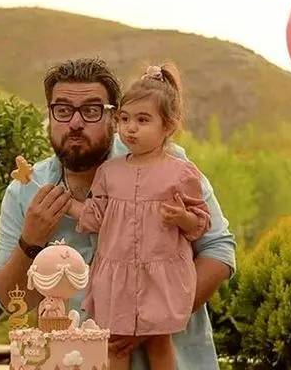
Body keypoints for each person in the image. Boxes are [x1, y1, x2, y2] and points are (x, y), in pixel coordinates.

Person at [0, 57, 236, 370]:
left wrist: (150, 321)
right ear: (50, 116)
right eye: (62, 110)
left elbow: (218, 251)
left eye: (92, 110)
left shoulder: (167, 164)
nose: (75, 122)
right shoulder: (25, 191)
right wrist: (30, 242)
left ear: (113, 117)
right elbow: (11, 301)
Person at [67, 63, 211, 370]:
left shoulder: (181, 173)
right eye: (124, 119)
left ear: (168, 126)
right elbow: (96, 217)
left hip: (160, 278)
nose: (130, 128)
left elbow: (200, 222)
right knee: (114, 344)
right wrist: (66, 204)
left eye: (142, 120)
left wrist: (181, 218)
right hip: (115, 277)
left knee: (159, 343)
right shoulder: (109, 172)